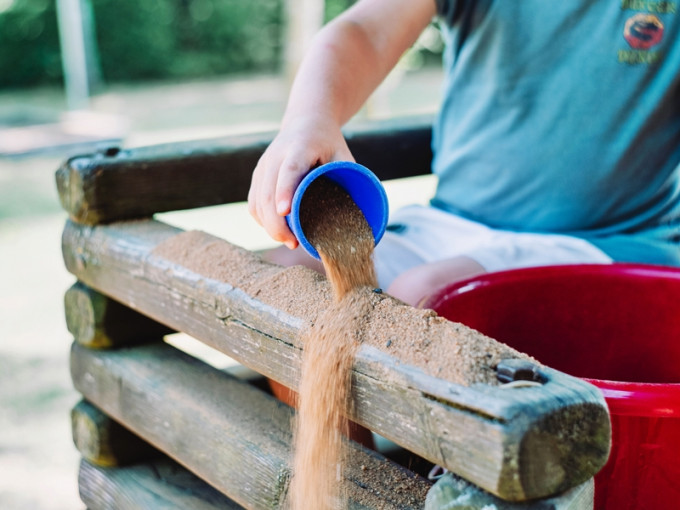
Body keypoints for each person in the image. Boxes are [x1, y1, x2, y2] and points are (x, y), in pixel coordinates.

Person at [248, 0, 680, 307]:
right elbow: (365, 32)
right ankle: (342, 440)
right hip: (450, 223)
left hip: (603, 240)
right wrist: (310, 119)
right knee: (290, 277)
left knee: (426, 296)